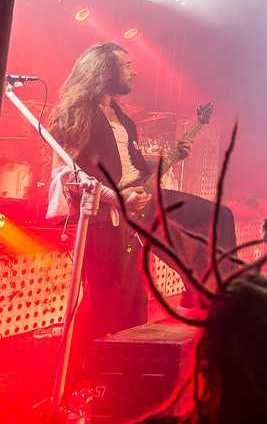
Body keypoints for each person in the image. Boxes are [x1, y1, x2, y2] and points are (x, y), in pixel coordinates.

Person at [47, 41, 237, 341]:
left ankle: (209, 297)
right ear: (105, 70)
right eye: (126, 65)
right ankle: (102, 361)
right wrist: (117, 198)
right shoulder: (79, 113)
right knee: (120, 307)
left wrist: (172, 157)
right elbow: (63, 171)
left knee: (218, 216)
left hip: (145, 199)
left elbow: (132, 164)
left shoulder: (123, 118)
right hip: (110, 212)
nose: (134, 72)